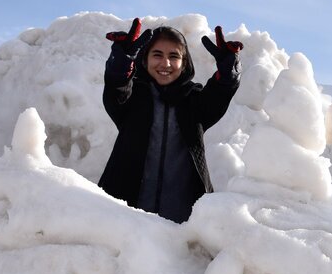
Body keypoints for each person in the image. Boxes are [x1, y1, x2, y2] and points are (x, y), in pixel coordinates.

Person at [97, 17, 243, 223]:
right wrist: (121, 62)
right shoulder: (132, 97)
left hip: (183, 228)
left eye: (174, 56)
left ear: (184, 64)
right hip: (126, 221)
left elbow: (219, 93)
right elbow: (116, 89)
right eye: (157, 55)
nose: (165, 63)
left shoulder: (195, 101)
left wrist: (229, 71)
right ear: (145, 59)